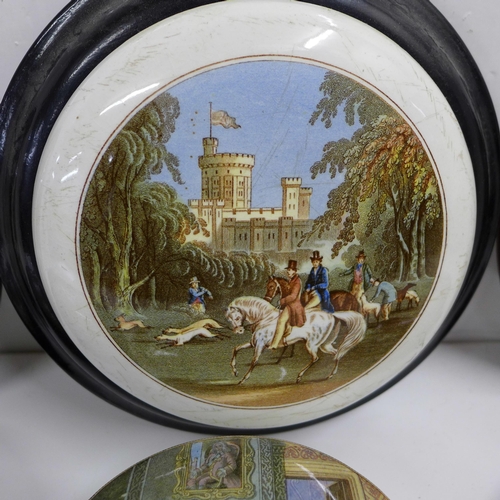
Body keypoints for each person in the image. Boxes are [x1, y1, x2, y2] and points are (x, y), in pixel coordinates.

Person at [270, 260, 306, 349]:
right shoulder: (291, 280)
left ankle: (274, 344)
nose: (288, 272)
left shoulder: (297, 281)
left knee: (281, 321)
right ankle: (282, 339)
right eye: (288, 270)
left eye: (290, 270)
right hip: (290, 304)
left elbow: (293, 296)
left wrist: (281, 301)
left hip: (294, 305)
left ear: (295, 271)